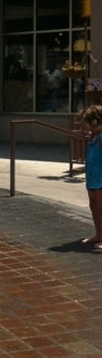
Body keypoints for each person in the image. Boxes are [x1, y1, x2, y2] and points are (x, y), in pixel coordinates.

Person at [80, 105, 102, 250]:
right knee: (93, 206)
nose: (86, 126)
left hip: (101, 178)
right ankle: (99, 234)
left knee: (101, 207)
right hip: (92, 177)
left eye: (88, 123)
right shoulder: (91, 136)